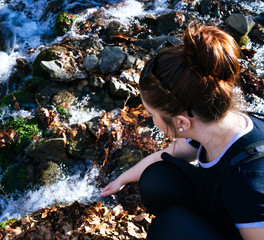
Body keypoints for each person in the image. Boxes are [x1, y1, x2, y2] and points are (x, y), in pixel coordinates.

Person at [100, 22, 264, 240]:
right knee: (156, 179)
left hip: (241, 219)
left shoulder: (248, 182)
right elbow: (169, 154)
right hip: (221, 204)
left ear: (182, 123)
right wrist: (122, 178)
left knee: (170, 228)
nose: (150, 120)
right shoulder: (212, 121)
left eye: (151, 114)